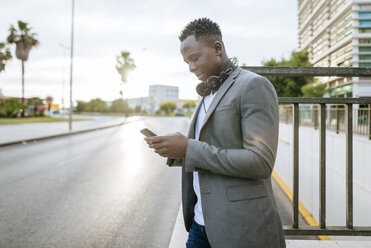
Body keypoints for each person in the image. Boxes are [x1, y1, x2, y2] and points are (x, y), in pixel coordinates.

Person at [144, 17, 286, 248]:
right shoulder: (207, 93)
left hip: (240, 227)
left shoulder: (253, 86)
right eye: (186, 62)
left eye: (194, 58)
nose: (190, 68)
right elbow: (212, 148)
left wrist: (189, 147)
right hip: (200, 224)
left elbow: (260, 162)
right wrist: (177, 151)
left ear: (217, 48)